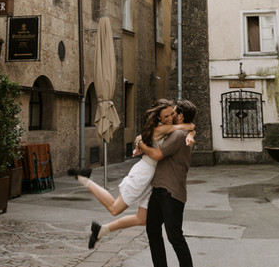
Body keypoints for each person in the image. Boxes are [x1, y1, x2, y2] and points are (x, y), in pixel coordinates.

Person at [68, 99, 195, 248]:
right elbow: (188, 126)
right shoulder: (162, 128)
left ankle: (101, 230)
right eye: (166, 116)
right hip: (144, 173)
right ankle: (84, 179)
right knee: (115, 208)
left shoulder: (168, 128)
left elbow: (185, 128)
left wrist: (191, 133)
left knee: (142, 219)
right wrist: (191, 132)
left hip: (154, 179)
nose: (170, 118)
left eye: (171, 114)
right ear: (158, 117)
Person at [137, 99, 199, 267]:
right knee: (153, 230)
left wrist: (140, 144)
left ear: (180, 116)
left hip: (172, 192)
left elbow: (156, 155)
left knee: (175, 237)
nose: (171, 115)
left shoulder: (179, 136)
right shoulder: (179, 132)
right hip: (160, 189)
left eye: (174, 113)